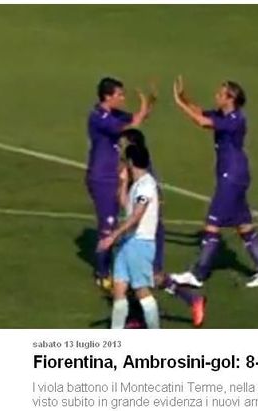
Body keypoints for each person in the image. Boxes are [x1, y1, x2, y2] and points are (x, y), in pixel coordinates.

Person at [170, 76, 258, 288]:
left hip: (232, 175)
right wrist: (186, 98)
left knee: (212, 224)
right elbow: (201, 113)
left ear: (231, 99)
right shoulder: (223, 114)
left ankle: (198, 274)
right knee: (244, 226)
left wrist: (179, 104)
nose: (216, 96)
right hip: (234, 175)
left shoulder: (235, 119)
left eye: (220, 94)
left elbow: (202, 122)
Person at [120, 129, 207, 327]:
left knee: (152, 276)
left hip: (148, 232)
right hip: (137, 232)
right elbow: (127, 204)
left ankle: (192, 300)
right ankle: (138, 317)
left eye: (122, 144)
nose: (119, 148)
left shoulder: (144, 175)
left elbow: (148, 205)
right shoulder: (132, 170)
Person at [86, 77, 154, 291]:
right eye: (119, 95)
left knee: (115, 222)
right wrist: (143, 105)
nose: (123, 98)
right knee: (107, 225)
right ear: (107, 97)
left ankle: (116, 267)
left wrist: (150, 102)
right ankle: (102, 273)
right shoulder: (99, 117)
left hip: (115, 176)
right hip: (102, 177)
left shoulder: (114, 114)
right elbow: (132, 126)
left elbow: (138, 118)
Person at [98, 144, 160, 329]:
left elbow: (136, 216)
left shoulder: (147, 185)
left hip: (140, 243)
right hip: (128, 243)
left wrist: (113, 236)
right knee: (119, 289)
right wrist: (124, 182)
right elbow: (126, 205)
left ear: (131, 162)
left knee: (141, 290)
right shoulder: (137, 184)